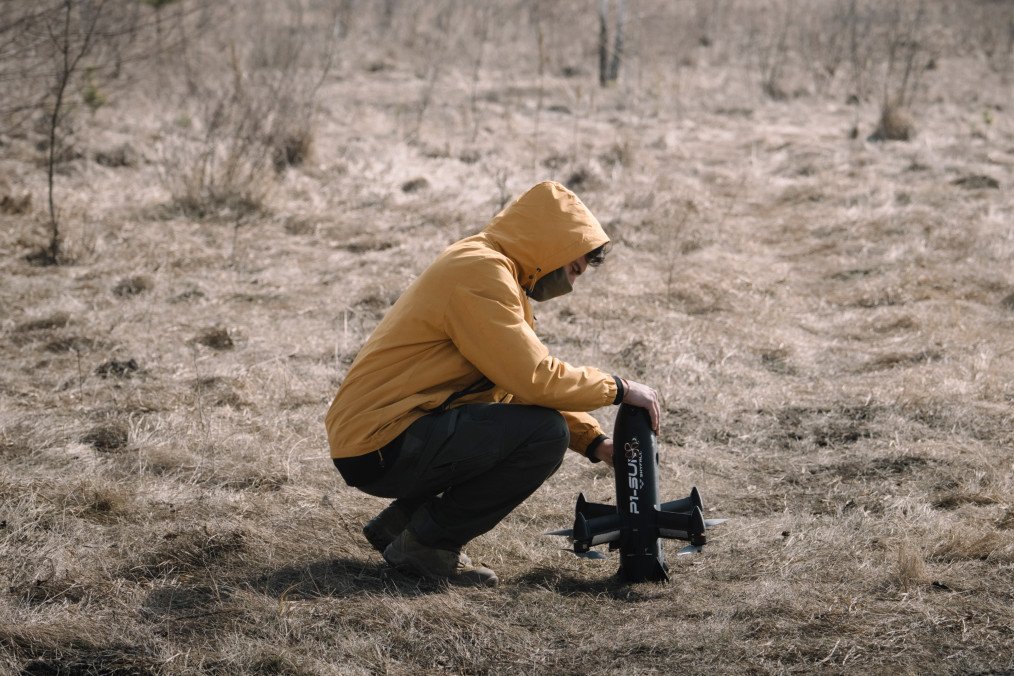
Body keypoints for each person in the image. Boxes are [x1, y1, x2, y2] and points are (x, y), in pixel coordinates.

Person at [325, 180, 660, 587]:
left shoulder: (491, 271)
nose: (570, 285)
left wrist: (593, 441)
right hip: (382, 441)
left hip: (380, 435)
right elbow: (535, 378)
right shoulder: (481, 273)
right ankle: (427, 545)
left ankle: (402, 524)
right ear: (549, 247)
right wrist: (619, 389)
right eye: (573, 269)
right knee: (543, 436)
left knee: (507, 424)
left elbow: (516, 383)